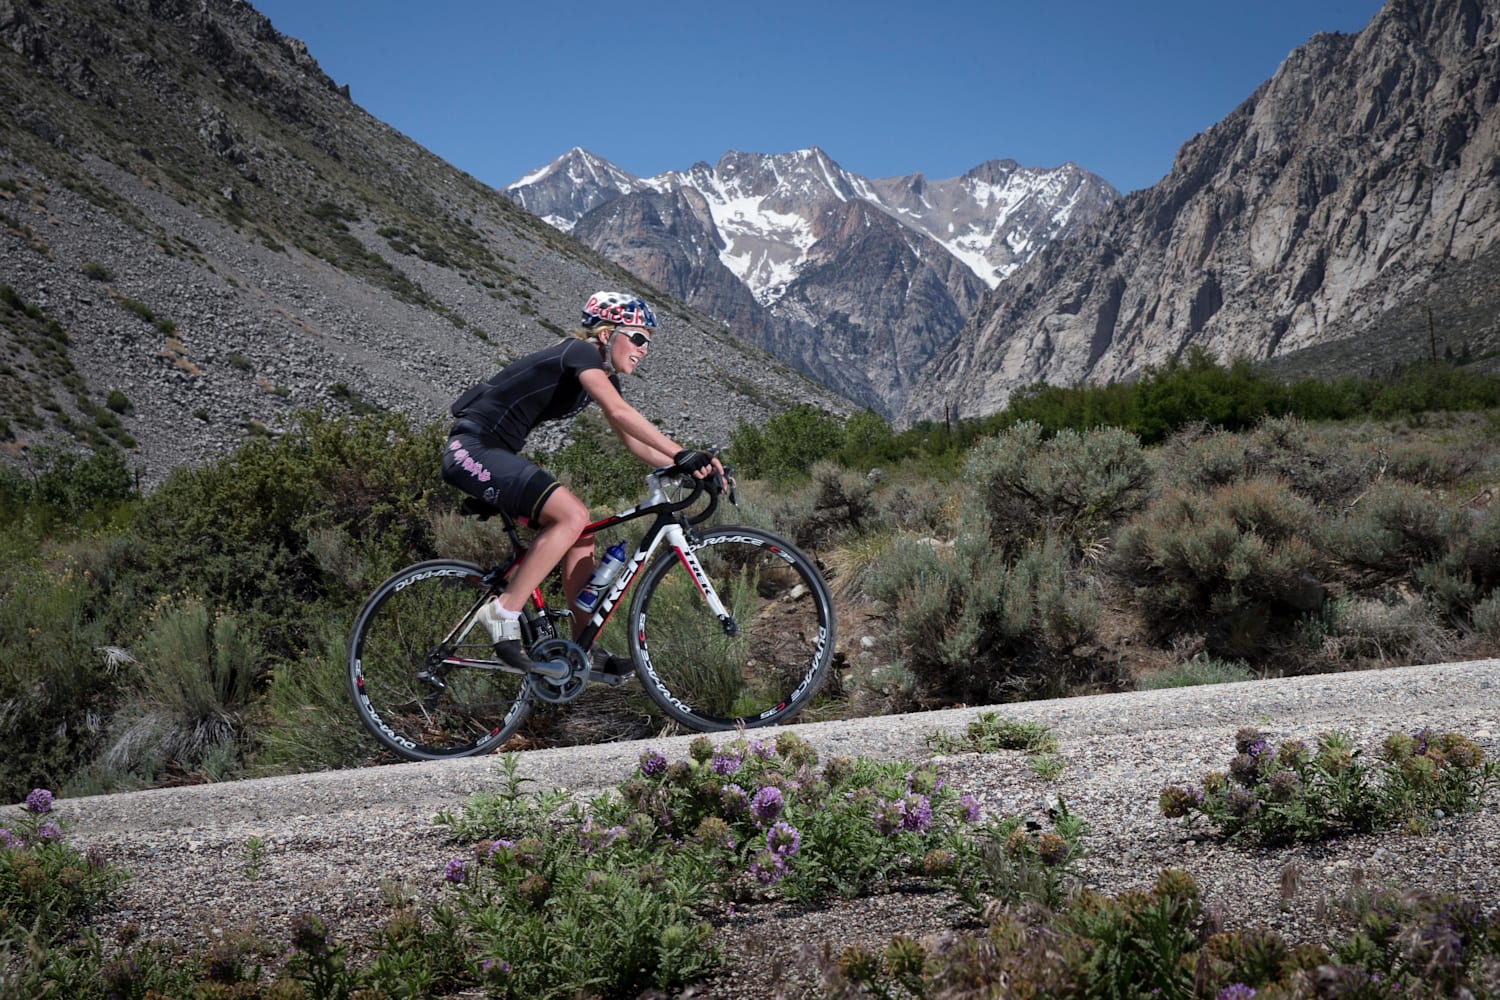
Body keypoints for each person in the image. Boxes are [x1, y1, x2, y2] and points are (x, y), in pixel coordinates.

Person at [441, 291, 725, 675]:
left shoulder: (600, 372)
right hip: (472, 447)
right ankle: (503, 611)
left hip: (493, 453)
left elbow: (633, 442)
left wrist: (695, 469)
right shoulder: (580, 352)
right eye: (638, 338)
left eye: (648, 343)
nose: (644, 349)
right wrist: (680, 453)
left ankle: (583, 649)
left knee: (582, 532)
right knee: (572, 515)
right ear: (608, 334)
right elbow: (620, 413)